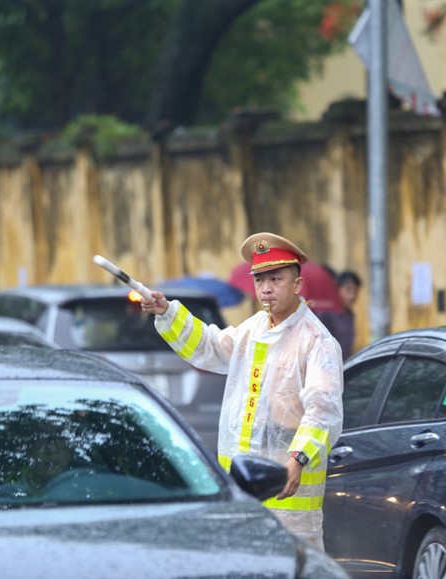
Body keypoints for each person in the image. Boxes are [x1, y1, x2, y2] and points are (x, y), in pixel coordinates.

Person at [141, 232, 343, 550]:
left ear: (297, 285)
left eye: (275, 278)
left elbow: (324, 408)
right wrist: (167, 312)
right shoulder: (253, 328)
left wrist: (299, 459)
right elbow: (208, 346)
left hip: (288, 500)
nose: (265, 288)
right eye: (259, 279)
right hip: (241, 495)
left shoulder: (317, 342)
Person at [316, 269, 362, 360]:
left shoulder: (350, 315)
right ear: (337, 289)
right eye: (348, 290)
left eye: (355, 291)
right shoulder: (326, 314)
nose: (352, 296)